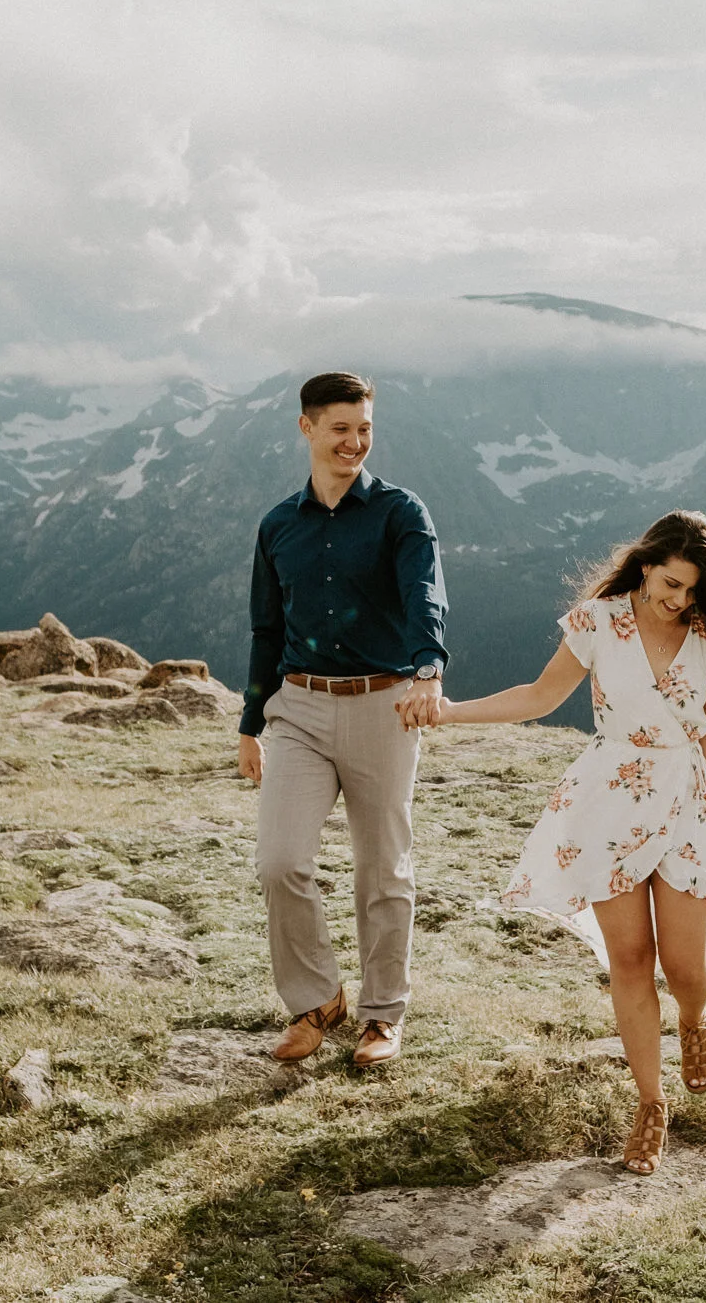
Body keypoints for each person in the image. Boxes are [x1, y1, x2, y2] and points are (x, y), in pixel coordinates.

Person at [438, 510, 706, 1174]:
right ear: (647, 564)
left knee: (684, 965)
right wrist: (453, 710)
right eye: (671, 584)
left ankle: (693, 1017)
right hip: (609, 798)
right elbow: (540, 695)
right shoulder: (598, 621)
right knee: (629, 959)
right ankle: (651, 1106)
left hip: (684, 800)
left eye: (691, 589)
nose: (679, 599)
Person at [238, 371, 449, 1070]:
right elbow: (266, 630)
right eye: (340, 428)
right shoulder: (278, 526)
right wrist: (249, 722)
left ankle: (382, 1016)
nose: (354, 442)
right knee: (279, 861)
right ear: (307, 427)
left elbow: (424, 595)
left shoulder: (401, 513)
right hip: (297, 707)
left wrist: (427, 667)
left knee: (382, 866)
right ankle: (318, 1001)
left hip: (383, 703)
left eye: (364, 429)